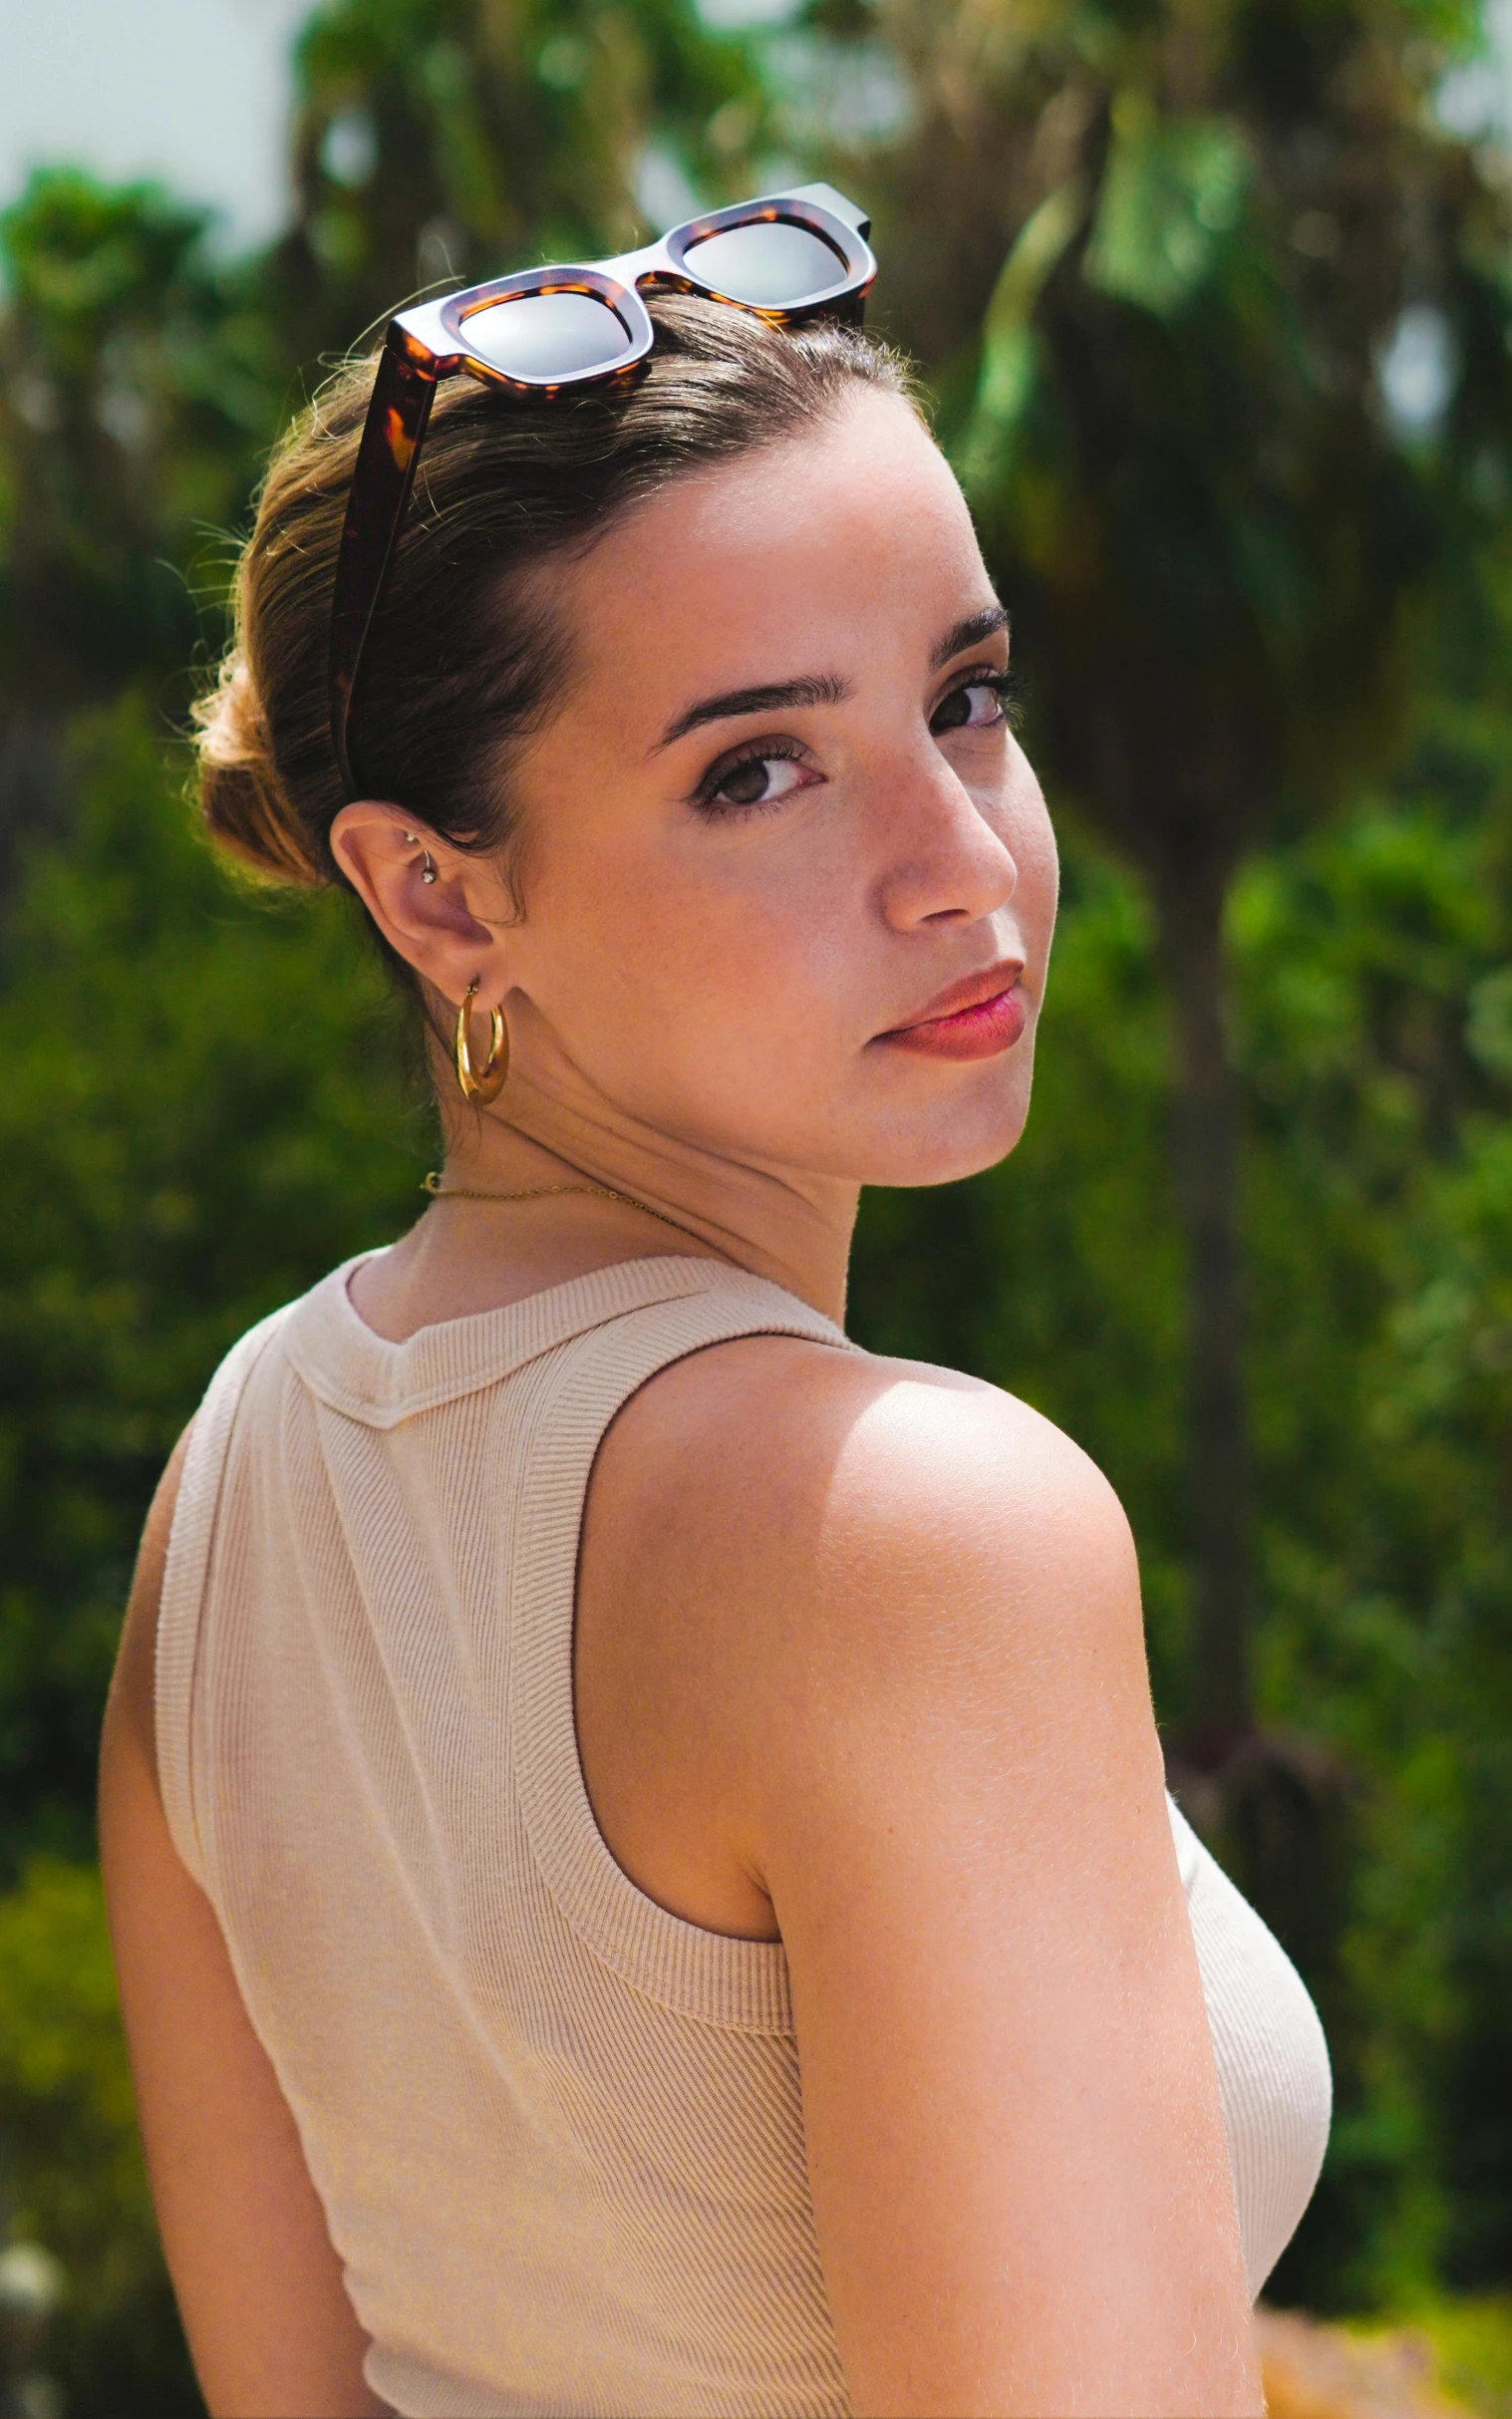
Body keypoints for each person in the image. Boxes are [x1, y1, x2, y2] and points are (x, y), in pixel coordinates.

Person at [99, 192, 1329, 2419]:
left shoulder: (226, 1503)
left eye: (963, 698)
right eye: (755, 767)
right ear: (436, 896)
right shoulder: (912, 1530)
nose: (957, 854)